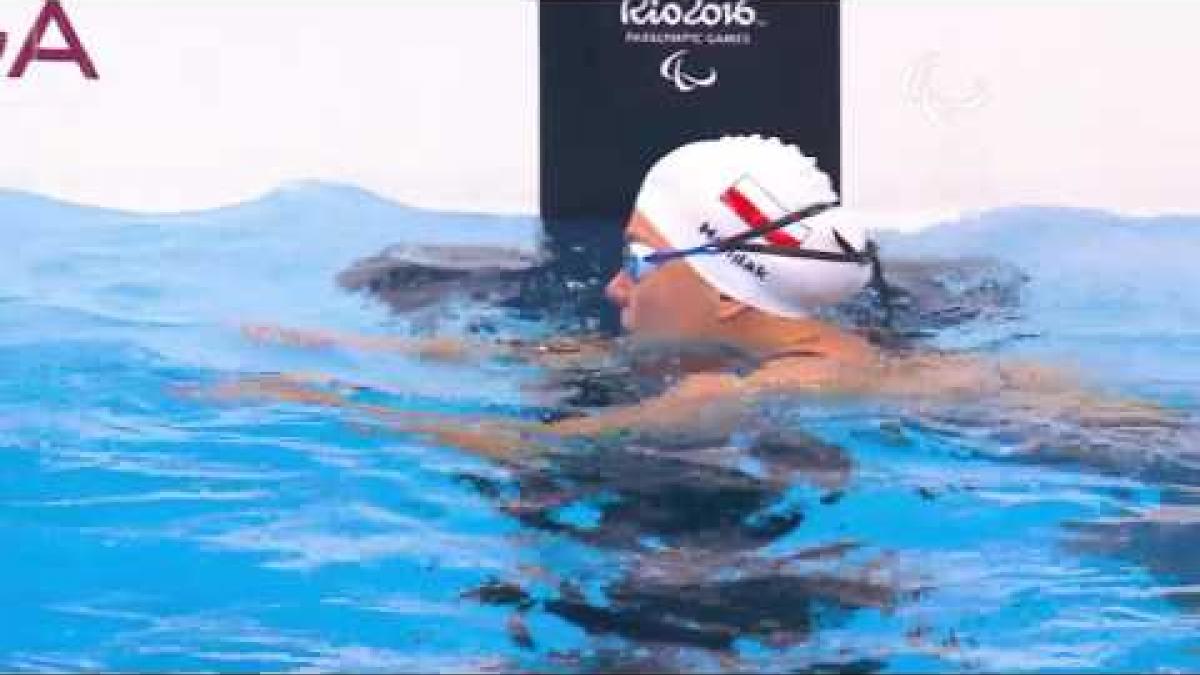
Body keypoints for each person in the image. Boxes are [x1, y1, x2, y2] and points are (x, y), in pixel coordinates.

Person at [212, 135, 1169, 460]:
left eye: (639, 258)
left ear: (723, 291)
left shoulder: (736, 393)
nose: (611, 285)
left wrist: (319, 405)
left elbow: (525, 446)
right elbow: (552, 364)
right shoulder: (786, 351)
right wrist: (331, 346)